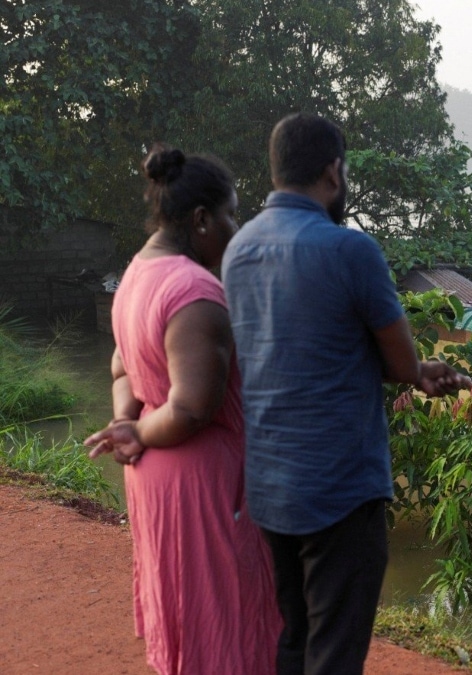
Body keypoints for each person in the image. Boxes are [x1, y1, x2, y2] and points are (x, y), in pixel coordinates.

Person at [221, 113, 471, 675]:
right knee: (335, 648)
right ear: (333, 172)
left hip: (268, 486)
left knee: (293, 637)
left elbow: (290, 350)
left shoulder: (239, 249)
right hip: (339, 491)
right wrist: (416, 371)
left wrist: (410, 371)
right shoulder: (351, 251)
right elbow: (400, 361)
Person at [85, 145, 281, 675]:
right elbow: (192, 407)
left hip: (157, 480)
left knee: (189, 618)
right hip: (203, 488)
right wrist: (139, 432)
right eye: (231, 215)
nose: (235, 228)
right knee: (226, 625)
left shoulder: (137, 274)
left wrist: (127, 421)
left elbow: (122, 366)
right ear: (200, 220)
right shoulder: (195, 292)